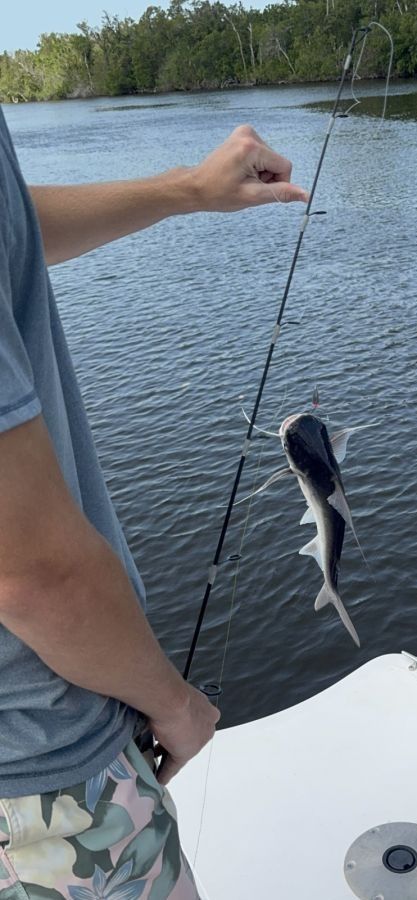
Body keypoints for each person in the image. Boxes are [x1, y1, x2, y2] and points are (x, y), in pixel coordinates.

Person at [0, 110, 308, 898]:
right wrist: (173, 705)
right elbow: (32, 572)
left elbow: (11, 238)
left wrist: (185, 191)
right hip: (40, 786)